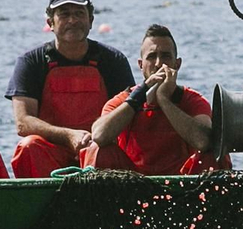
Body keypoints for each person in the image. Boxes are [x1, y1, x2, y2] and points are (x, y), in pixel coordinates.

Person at [6, 0, 135, 177]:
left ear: (91, 20)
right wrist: (68, 136)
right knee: (28, 146)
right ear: (50, 22)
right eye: (64, 14)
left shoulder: (113, 60)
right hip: (51, 151)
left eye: (79, 13)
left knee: (105, 152)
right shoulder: (31, 62)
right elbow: (23, 122)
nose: (72, 20)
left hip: (98, 149)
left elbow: (130, 114)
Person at [83, 24, 226, 174]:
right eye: (151, 57)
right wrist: (138, 97)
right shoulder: (122, 100)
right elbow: (99, 136)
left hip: (182, 185)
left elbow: (204, 141)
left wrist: (164, 100)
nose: (158, 64)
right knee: (97, 149)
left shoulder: (193, 100)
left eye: (165, 56)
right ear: (141, 65)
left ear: (177, 64)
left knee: (213, 153)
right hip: (132, 183)